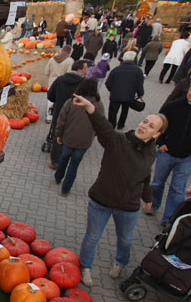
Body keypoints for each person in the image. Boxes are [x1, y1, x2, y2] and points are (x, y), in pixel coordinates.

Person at [78, 107, 168, 287]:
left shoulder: (151, 152)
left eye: (151, 126)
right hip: (101, 201)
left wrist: (147, 197)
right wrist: (91, 109)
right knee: (92, 237)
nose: (144, 126)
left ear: (156, 134)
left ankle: (120, 263)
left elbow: (145, 176)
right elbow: (103, 126)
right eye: (144, 121)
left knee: (125, 239)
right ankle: (85, 267)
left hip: (128, 206)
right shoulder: (118, 140)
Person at [146, 86, 191, 226]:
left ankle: (169, 217)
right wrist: (161, 143)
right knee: (158, 182)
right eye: (190, 90)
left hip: (187, 157)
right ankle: (153, 204)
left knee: (178, 189)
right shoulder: (173, 106)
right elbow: (160, 125)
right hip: (166, 152)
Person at [54, 78, 103, 196]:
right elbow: (101, 122)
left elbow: (62, 120)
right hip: (84, 141)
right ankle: (65, 190)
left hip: (68, 138)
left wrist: (59, 134)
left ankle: (58, 177)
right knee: (74, 164)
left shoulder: (72, 101)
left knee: (63, 158)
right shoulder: (98, 105)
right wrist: (93, 134)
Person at [47, 60, 88, 168]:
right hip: (76, 116)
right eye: (85, 69)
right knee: (71, 135)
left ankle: (55, 161)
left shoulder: (60, 79)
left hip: (59, 112)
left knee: (57, 135)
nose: (86, 71)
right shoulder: (84, 83)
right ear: (79, 70)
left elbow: (50, 95)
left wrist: (57, 100)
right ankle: (65, 159)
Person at [105, 51, 144, 129]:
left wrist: (112, 90)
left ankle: (111, 126)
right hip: (129, 95)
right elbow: (139, 84)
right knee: (125, 110)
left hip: (115, 95)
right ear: (133, 59)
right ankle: (121, 125)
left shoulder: (116, 69)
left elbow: (108, 83)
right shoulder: (138, 70)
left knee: (113, 111)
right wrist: (140, 93)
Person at [44, 45, 74, 123]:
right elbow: (69, 73)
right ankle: (60, 118)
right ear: (69, 52)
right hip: (63, 84)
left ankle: (49, 117)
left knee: (50, 101)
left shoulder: (52, 59)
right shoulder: (70, 61)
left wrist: (50, 78)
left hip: (52, 82)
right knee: (61, 101)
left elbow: (46, 72)